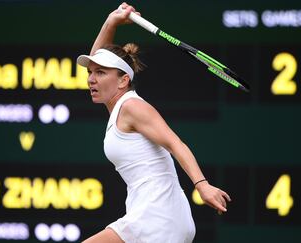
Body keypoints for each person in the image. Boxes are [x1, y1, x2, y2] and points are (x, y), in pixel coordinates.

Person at [76, 3, 231, 243]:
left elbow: (175, 144)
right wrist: (112, 21)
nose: (91, 79)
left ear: (123, 80)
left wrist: (202, 185)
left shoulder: (132, 107)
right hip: (149, 214)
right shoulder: (119, 106)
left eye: (100, 73)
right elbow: (97, 57)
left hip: (159, 216)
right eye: (91, 73)